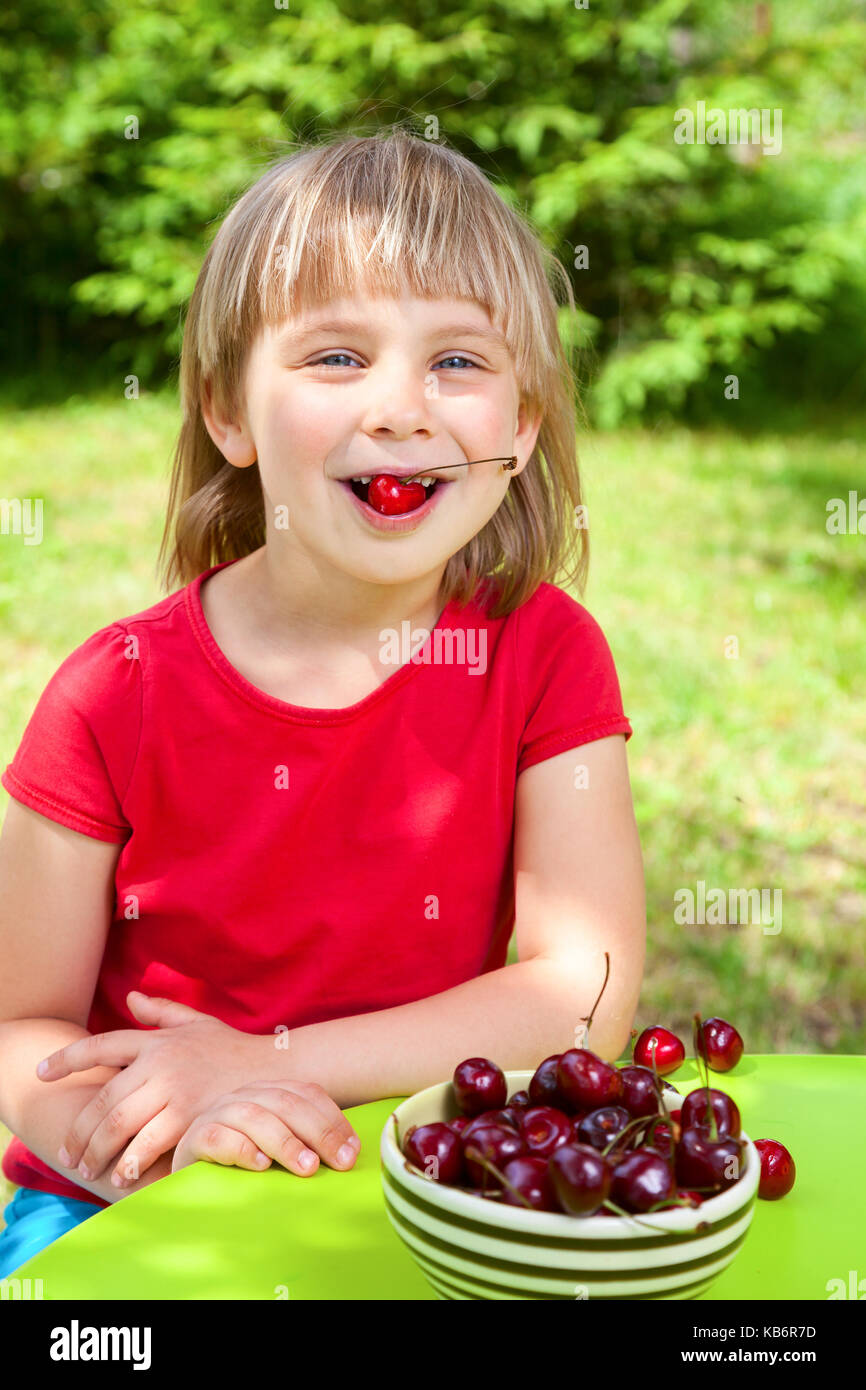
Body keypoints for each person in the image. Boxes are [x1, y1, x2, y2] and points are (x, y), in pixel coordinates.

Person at [0, 129, 645, 1279]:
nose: (401, 408)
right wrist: (166, 1139)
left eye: (457, 361)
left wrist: (264, 1061)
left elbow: (580, 993)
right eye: (337, 357)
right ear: (227, 413)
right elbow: (18, 1028)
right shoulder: (113, 694)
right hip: (136, 1198)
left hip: (423, 1182)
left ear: (523, 426)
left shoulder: (544, 655)